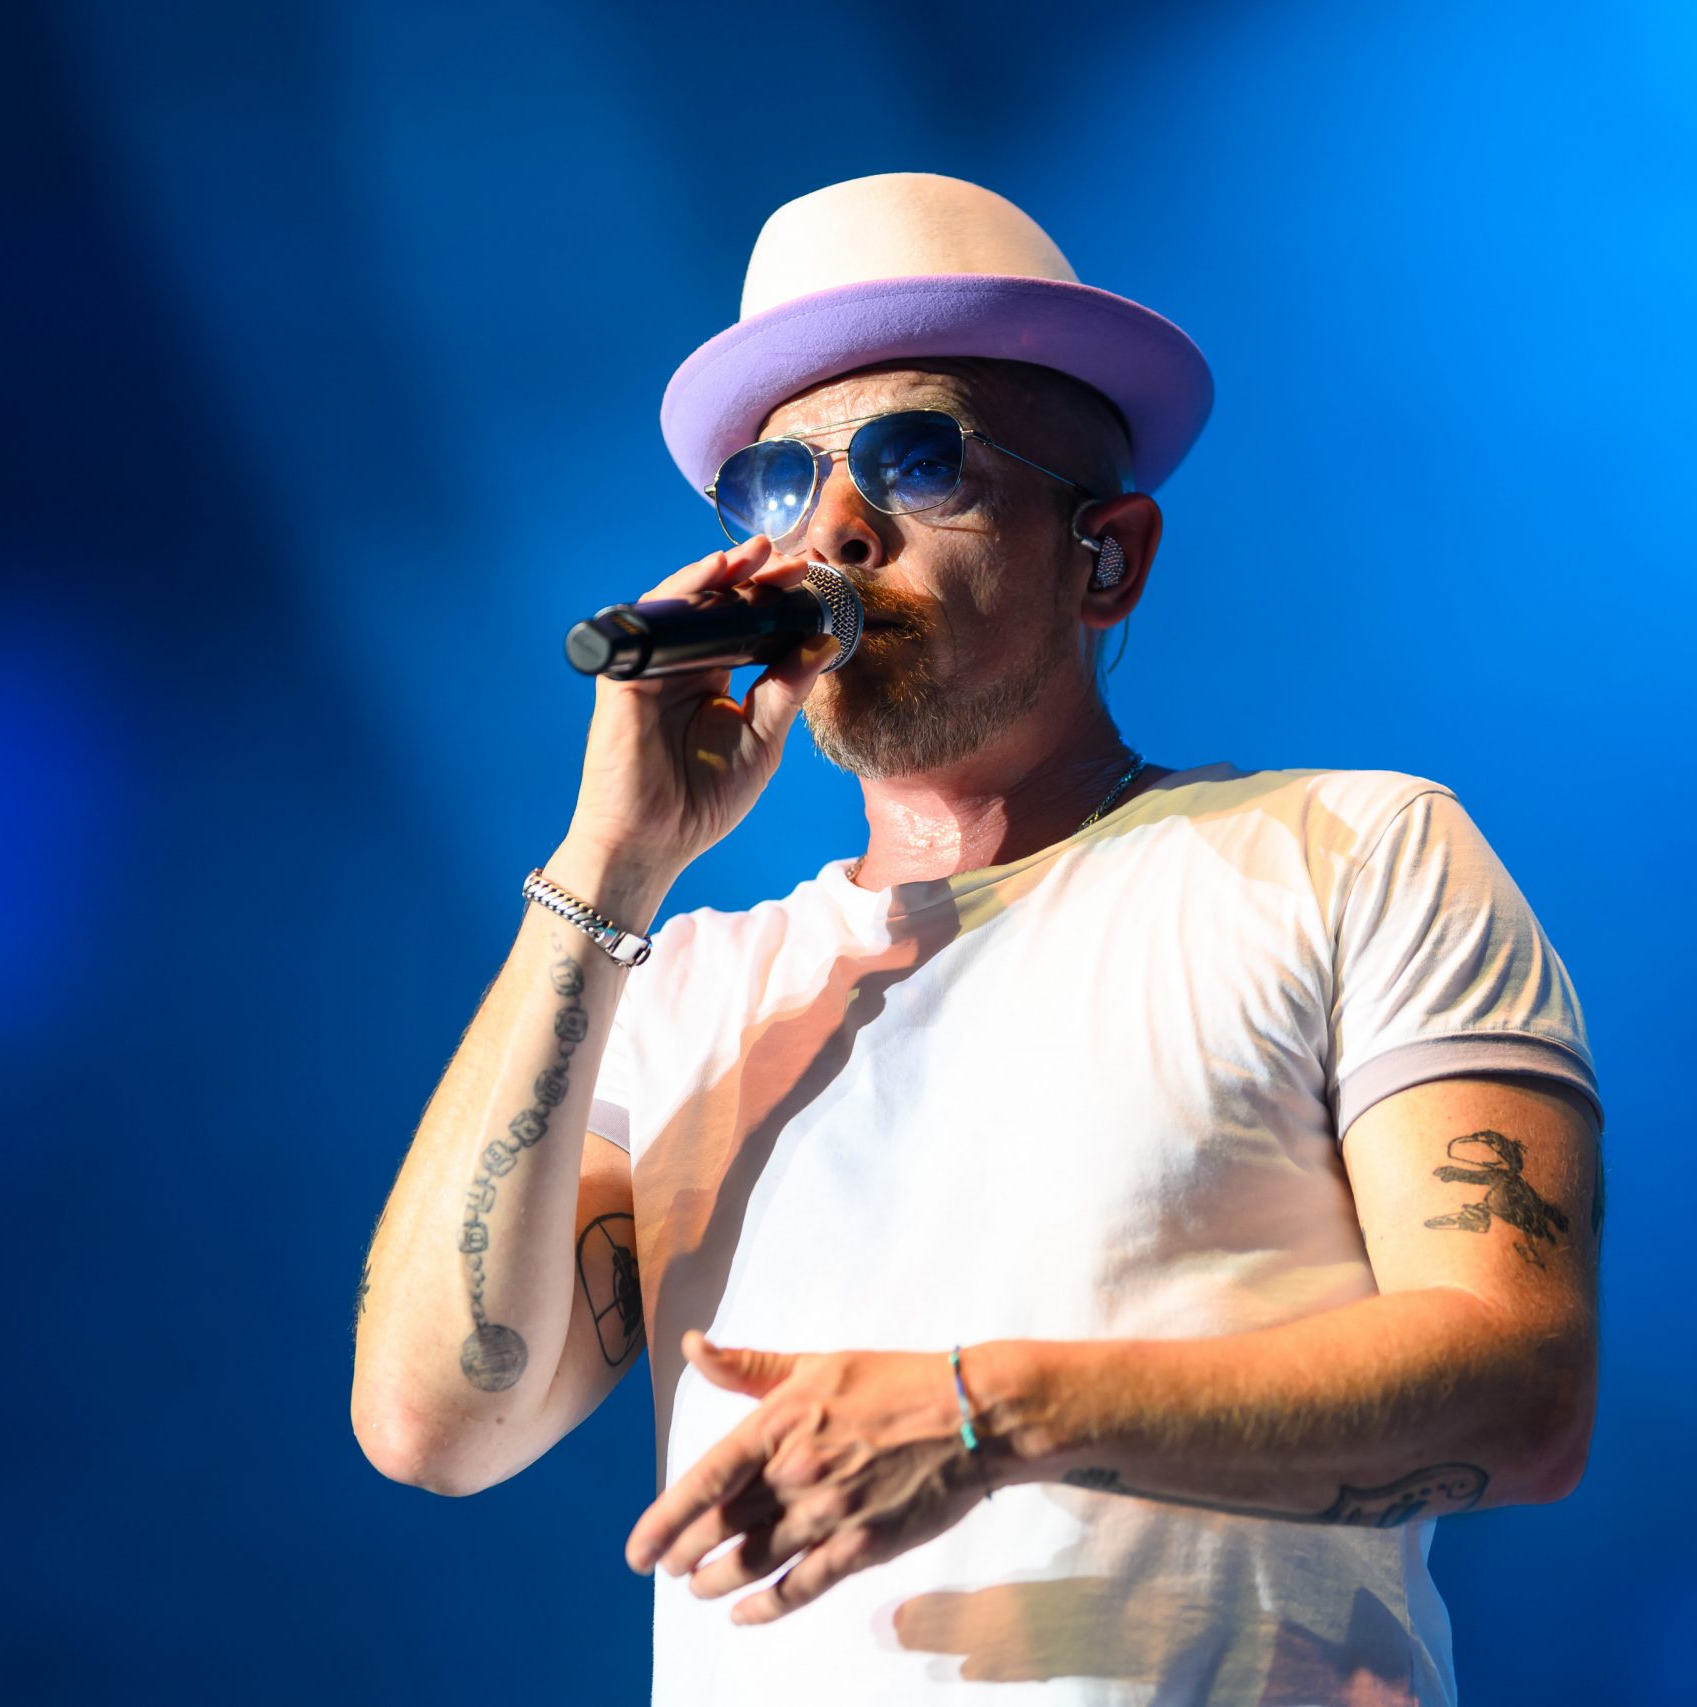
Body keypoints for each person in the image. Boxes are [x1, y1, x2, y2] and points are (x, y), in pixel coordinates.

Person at [350, 173, 1602, 1706]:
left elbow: (1522, 1394)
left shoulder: (1350, 854)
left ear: (1107, 555)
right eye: (778, 481)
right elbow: (436, 1420)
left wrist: (980, 1413)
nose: (833, 526)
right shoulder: (684, 993)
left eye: (916, 458)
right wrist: (609, 863)